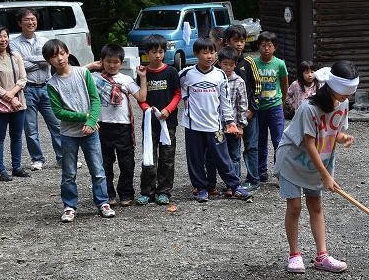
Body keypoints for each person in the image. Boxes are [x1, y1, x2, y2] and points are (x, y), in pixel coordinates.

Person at [275, 61, 358, 274]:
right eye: (344, 94)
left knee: (316, 206)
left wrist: (342, 138)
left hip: (317, 161)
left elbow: (333, 131)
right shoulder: (308, 108)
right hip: (293, 160)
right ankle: (294, 254)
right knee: (294, 207)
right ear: (333, 87)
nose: (346, 98)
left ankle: (322, 255)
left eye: (349, 94)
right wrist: (326, 176)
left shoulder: (343, 104)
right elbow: (310, 143)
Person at [42, 39, 115, 222]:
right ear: (48, 61)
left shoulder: (83, 73)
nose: (59, 59)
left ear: (67, 53)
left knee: (98, 170)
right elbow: (59, 112)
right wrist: (85, 117)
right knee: (68, 173)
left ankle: (102, 202)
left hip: (91, 132)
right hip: (68, 135)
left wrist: (91, 122)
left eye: (61, 53)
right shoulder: (52, 84)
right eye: (53, 56)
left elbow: (95, 99)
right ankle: (69, 206)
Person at [178, 37, 252, 204]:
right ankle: (201, 188)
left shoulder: (219, 75)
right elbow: (179, 88)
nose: (209, 56)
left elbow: (225, 100)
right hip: (193, 125)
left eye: (212, 52)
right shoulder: (186, 73)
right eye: (205, 53)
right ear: (196, 54)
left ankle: (234, 186)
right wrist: (185, 99)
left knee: (223, 157)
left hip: (215, 125)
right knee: (195, 158)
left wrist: (230, 121)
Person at [86, 44, 147, 207]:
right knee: (105, 163)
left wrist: (142, 77)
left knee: (127, 163)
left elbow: (141, 97)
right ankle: (108, 194)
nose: (112, 65)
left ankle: (126, 193)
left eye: (115, 62)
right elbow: (75, 74)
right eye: (108, 62)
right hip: (102, 126)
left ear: (121, 62)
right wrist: (92, 66)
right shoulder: (94, 78)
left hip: (123, 126)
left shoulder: (126, 80)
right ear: (102, 61)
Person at [10, 7, 65, 170]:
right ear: (20, 23)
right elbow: (19, 67)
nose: (30, 22)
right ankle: (37, 159)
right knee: (30, 127)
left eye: (33, 19)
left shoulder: (44, 41)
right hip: (27, 89)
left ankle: (62, 157)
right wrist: (41, 60)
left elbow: (50, 60)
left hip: (47, 87)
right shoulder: (13, 44)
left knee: (56, 124)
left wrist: (28, 59)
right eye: (26, 19)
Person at [137, 34, 182, 211]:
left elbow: (177, 94)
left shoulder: (171, 72)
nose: (158, 55)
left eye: (161, 52)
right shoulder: (143, 73)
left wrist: (167, 110)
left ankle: (164, 191)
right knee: (149, 158)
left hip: (168, 123)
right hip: (150, 125)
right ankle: (147, 191)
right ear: (147, 53)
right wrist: (148, 109)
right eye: (154, 52)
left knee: (167, 158)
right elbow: (140, 97)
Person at [216, 25, 261, 191]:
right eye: (236, 41)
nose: (240, 44)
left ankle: (253, 178)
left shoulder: (249, 62)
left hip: (249, 114)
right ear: (228, 42)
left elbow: (257, 88)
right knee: (229, 150)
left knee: (251, 146)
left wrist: (252, 110)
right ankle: (233, 181)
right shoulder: (218, 62)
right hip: (226, 117)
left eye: (242, 40)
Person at [0, 25, 29, 181]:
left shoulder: (15, 56)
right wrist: (10, 98)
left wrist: (14, 95)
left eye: (6, 36)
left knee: (17, 137)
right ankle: (1, 170)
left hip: (19, 103)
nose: (4, 40)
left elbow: (23, 79)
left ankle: (17, 167)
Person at [252, 31, 289, 183]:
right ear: (258, 47)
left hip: (275, 107)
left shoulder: (280, 64)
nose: (266, 49)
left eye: (269, 46)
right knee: (260, 141)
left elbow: (284, 83)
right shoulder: (253, 63)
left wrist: (282, 102)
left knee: (278, 141)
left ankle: (280, 172)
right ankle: (261, 171)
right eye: (263, 46)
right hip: (258, 108)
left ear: (274, 48)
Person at [218, 46, 248, 185]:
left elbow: (242, 105)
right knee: (215, 155)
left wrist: (241, 126)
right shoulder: (216, 79)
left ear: (235, 64)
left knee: (234, 155)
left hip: (233, 125)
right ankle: (215, 182)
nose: (228, 67)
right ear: (219, 63)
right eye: (225, 64)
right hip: (216, 125)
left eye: (231, 64)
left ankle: (234, 183)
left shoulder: (239, 82)